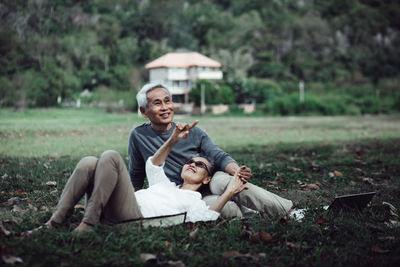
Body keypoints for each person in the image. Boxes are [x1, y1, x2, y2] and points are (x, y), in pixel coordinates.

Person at [41, 121, 248, 234]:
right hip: (117, 207)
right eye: (190, 162)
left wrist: (229, 192)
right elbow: (153, 164)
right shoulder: (167, 184)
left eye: (200, 164)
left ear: (206, 180)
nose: (192, 164)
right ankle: (55, 222)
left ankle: (88, 223)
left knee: (111, 157)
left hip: (133, 218)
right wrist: (172, 140)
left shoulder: (196, 201)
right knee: (88, 162)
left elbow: (206, 217)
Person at [129, 82, 293, 218]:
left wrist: (237, 171)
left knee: (229, 182)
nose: (165, 107)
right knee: (229, 208)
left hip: (207, 178)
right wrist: (131, 203)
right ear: (144, 111)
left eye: (168, 101)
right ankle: (253, 215)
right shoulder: (139, 135)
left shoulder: (192, 131)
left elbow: (218, 156)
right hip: (181, 194)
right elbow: (136, 174)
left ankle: (289, 211)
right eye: (158, 103)